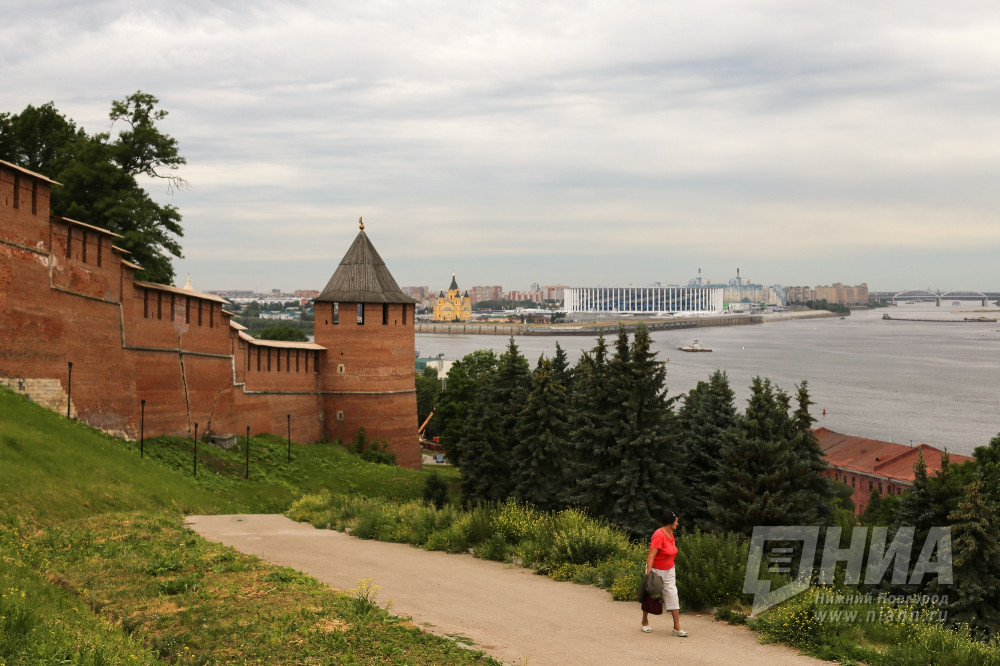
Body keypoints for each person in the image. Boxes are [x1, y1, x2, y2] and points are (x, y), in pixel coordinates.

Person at [641, 510, 687, 636]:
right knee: (651, 596)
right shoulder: (658, 534)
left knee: (673, 594)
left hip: (669, 570)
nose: (677, 524)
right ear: (670, 522)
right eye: (676, 521)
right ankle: (644, 621)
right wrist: (649, 575)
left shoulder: (670, 533)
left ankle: (676, 627)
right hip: (655, 571)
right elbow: (652, 555)